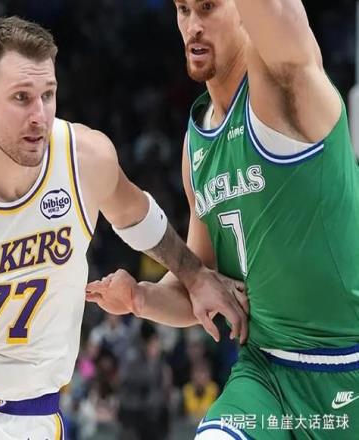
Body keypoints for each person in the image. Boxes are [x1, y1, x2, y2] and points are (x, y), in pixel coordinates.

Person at [0, 16, 248, 440]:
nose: (39, 115)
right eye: (21, 98)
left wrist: (194, 275)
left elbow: (138, 217)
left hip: (36, 415)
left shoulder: (84, 158)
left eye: (48, 95)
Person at [87, 1, 359, 438]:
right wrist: (139, 297)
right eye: (183, 9)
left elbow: (282, 16)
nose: (193, 25)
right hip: (264, 375)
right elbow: (201, 286)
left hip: (347, 363)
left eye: (208, 7)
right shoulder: (195, 143)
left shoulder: (286, 82)